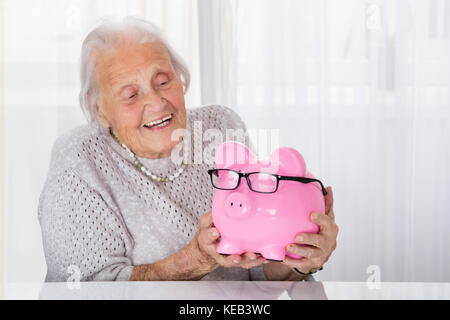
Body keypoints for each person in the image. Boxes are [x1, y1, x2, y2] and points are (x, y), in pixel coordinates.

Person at [38, 17, 338, 282]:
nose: (156, 103)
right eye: (130, 95)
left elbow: (257, 274)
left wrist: (300, 258)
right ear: (100, 110)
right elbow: (80, 290)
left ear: (180, 78)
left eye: (163, 81)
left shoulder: (220, 126)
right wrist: (193, 260)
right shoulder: (78, 162)